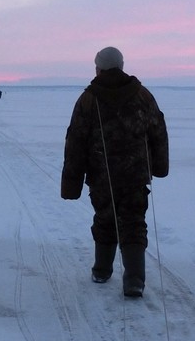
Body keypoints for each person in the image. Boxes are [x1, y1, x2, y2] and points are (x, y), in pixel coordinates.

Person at [61, 46, 168, 297]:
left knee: (105, 220)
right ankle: (133, 281)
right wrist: (159, 167)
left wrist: (72, 184)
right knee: (133, 223)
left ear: (99, 68)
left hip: (101, 176)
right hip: (135, 175)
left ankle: (101, 271)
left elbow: (75, 142)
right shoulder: (142, 95)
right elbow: (158, 132)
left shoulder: (88, 99)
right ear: (121, 66)